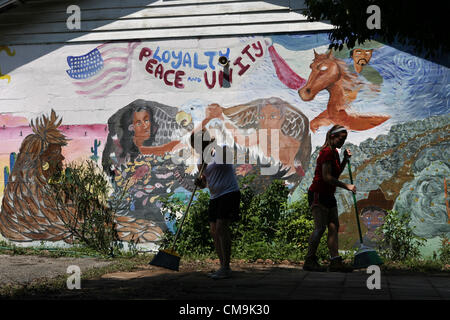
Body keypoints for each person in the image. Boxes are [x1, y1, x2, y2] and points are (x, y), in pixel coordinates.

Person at [303, 124, 356, 272]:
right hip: (318, 194)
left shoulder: (334, 153)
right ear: (332, 136)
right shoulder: (326, 153)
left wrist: (345, 159)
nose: (342, 142)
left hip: (328, 194)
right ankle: (309, 260)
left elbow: (335, 175)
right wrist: (347, 186)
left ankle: (335, 261)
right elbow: (326, 178)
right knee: (320, 228)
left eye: (345, 139)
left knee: (334, 227)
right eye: (341, 138)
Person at [190, 128, 241, 280]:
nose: (195, 148)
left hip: (229, 193)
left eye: (197, 144)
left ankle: (226, 266)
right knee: (213, 231)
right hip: (215, 197)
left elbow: (227, 160)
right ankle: (222, 266)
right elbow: (205, 183)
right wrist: (200, 182)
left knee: (221, 227)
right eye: (193, 146)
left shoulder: (222, 149)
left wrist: (211, 151)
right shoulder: (200, 161)